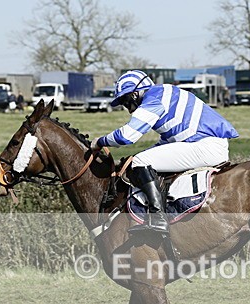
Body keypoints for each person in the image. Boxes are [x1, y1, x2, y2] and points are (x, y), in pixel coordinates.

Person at [94, 70, 239, 236]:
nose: (128, 109)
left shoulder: (153, 99)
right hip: (210, 144)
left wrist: (99, 141)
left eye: (125, 102)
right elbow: (168, 142)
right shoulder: (164, 92)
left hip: (205, 146)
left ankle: (158, 218)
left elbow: (126, 136)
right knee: (141, 158)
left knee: (141, 161)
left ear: (135, 94)